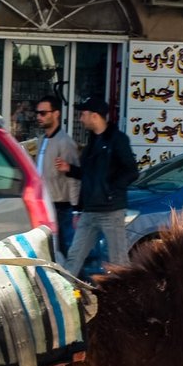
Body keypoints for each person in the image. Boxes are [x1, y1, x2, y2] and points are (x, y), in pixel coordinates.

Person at [57, 97, 136, 274]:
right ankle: (65, 289)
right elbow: (88, 175)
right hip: (89, 211)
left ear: (94, 116)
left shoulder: (117, 140)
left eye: (83, 114)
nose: (80, 119)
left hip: (111, 211)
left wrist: (110, 190)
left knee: (119, 262)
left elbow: (131, 171)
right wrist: (70, 169)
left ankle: (127, 291)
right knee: (74, 256)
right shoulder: (92, 142)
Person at [30, 95, 79, 255]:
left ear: (56, 114)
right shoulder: (42, 140)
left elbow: (73, 177)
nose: (39, 117)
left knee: (64, 250)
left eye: (43, 113)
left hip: (61, 206)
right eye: (37, 113)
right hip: (44, 203)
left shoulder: (65, 142)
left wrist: (75, 209)